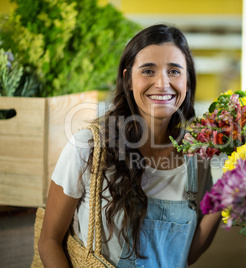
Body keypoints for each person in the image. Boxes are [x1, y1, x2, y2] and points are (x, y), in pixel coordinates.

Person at [38, 24, 222, 267]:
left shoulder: (196, 158)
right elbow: (49, 240)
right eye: (148, 71)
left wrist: (227, 195)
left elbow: (183, 256)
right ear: (128, 79)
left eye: (174, 71)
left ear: (187, 81)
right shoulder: (89, 147)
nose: (162, 83)